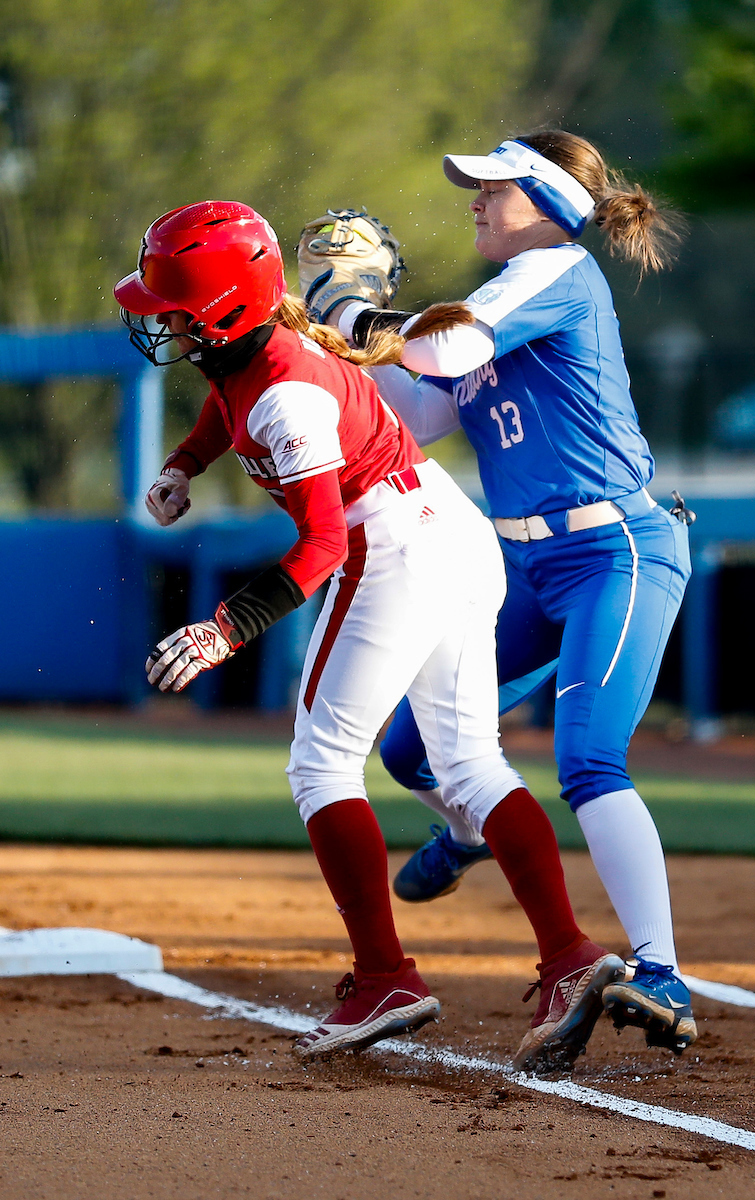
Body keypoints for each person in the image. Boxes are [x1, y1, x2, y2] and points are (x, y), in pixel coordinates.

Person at [114, 200, 625, 1073]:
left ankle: (385, 977)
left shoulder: (287, 397)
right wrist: (183, 463)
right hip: (448, 531)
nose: (163, 324)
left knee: (320, 765)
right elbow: (228, 406)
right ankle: (570, 957)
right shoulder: (256, 346)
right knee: (471, 765)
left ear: (223, 311)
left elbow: (320, 546)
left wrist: (224, 630)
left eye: (176, 311)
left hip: (386, 545)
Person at [307, 131, 697, 1057]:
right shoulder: (500, 306)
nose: (476, 200)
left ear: (550, 206)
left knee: (588, 759)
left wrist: (356, 311)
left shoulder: (556, 269)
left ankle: (662, 971)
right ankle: (471, 834)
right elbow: (414, 412)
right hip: (523, 564)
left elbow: (447, 347)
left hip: (615, 549)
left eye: (496, 188)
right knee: (410, 751)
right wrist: (323, 345)